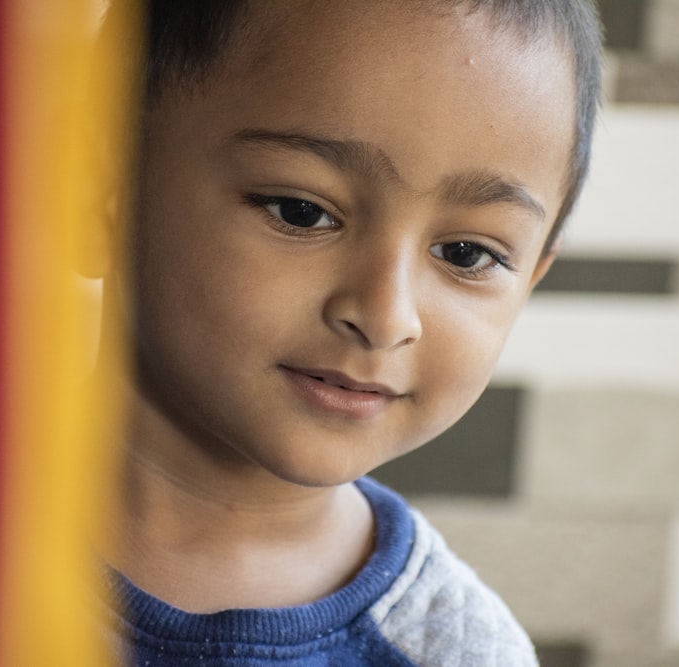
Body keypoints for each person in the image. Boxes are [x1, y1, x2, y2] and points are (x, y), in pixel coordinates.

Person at [88, 0, 602, 664]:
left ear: (530, 278)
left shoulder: (459, 651)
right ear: (102, 187)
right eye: (303, 212)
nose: (386, 315)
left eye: (467, 254)